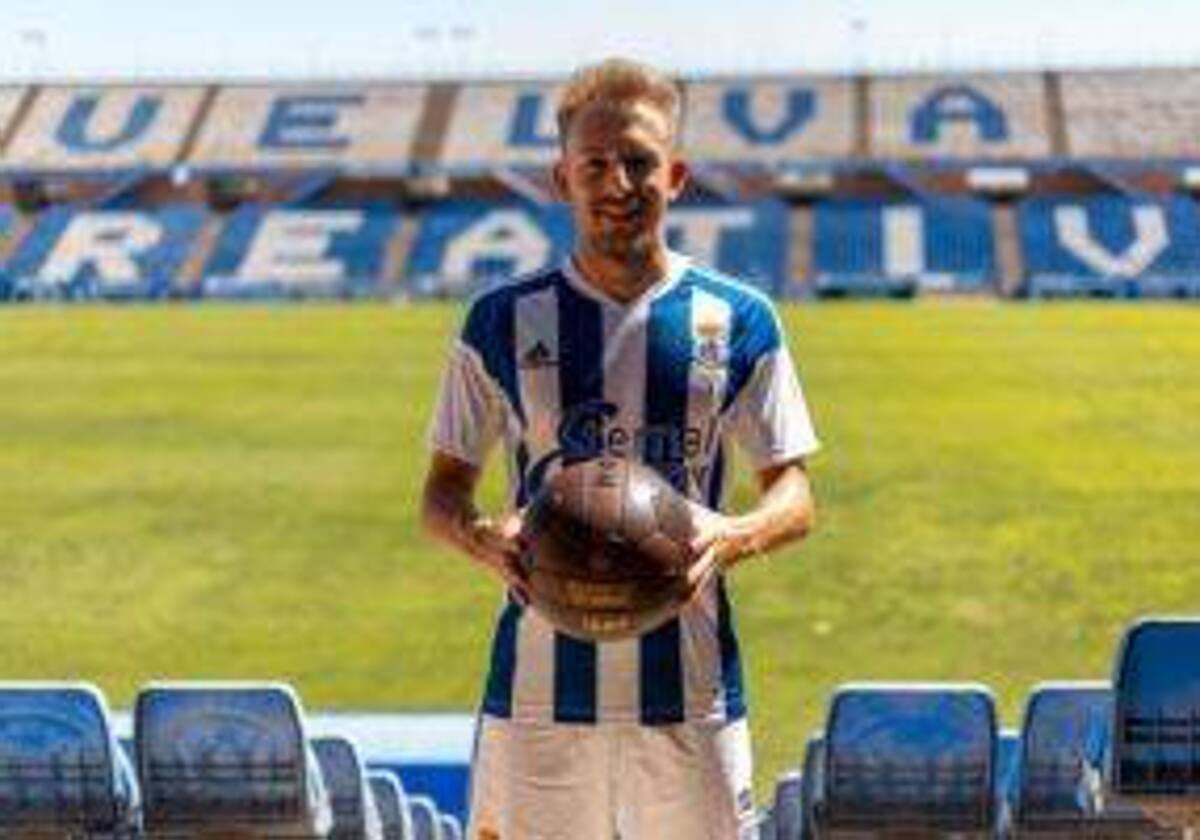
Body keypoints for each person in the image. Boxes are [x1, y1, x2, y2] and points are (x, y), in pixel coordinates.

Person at [421, 57, 819, 840]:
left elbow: (796, 495)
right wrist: (478, 534)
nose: (618, 182)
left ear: (674, 175)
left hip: (692, 696)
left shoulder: (739, 318)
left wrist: (735, 532)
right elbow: (440, 494)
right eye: (596, 163)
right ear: (561, 177)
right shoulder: (500, 320)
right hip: (536, 701)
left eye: (638, 162)